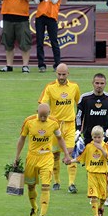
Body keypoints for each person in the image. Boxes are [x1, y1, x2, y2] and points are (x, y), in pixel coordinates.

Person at [13, 103, 71, 216]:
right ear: (37, 112)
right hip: (32, 158)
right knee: (31, 186)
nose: (43, 118)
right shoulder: (29, 121)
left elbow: (60, 139)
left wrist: (66, 154)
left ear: (49, 113)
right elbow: (22, 139)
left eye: (45, 116)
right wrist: (17, 157)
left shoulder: (54, 122)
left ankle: (43, 215)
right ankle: (34, 207)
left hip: (46, 158)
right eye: (41, 116)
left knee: (45, 186)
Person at [76, 73, 108, 206]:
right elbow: (78, 116)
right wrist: (78, 130)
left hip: (105, 139)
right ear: (92, 83)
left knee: (107, 165)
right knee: (92, 166)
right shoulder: (85, 98)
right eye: (97, 83)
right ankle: (94, 193)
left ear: (105, 84)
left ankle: (105, 195)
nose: (99, 86)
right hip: (89, 138)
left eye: (101, 83)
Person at [38, 63, 80, 193]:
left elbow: (79, 104)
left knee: (71, 153)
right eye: (59, 74)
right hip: (55, 126)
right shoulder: (50, 88)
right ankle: (56, 181)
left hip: (70, 124)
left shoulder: (74, 87)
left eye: (63, 74)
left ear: (68, 74)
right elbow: (43, 104)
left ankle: (71, 183)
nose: (61, 76)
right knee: (55, 155)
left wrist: (80, 123)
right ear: (56, 73)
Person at [71, 126, 108, 216]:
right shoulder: (89, 147)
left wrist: (101, 149)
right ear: (92, 136)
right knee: (94, 195)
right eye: (95, 137)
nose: (97, 139)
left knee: (103, 197)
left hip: (102, 174)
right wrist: (70, 161)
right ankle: (95, 215)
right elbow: (81, 158)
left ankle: (100, 207)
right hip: (92, 174)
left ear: (103, 136)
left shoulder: (105, 146)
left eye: (99, 137)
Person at [0, 0, 32, 73]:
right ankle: (9, 65)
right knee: (8, 43)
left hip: (22, 18)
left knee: (25, 43)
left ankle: (25, 66)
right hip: (8, 17)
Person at [34, 0, 62, 72]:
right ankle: (41, 64)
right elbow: (36, 1)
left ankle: (57, 64)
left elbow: (54, 0)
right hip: (40, 17)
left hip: (52, 17)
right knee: (39, 42)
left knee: (54, 41)